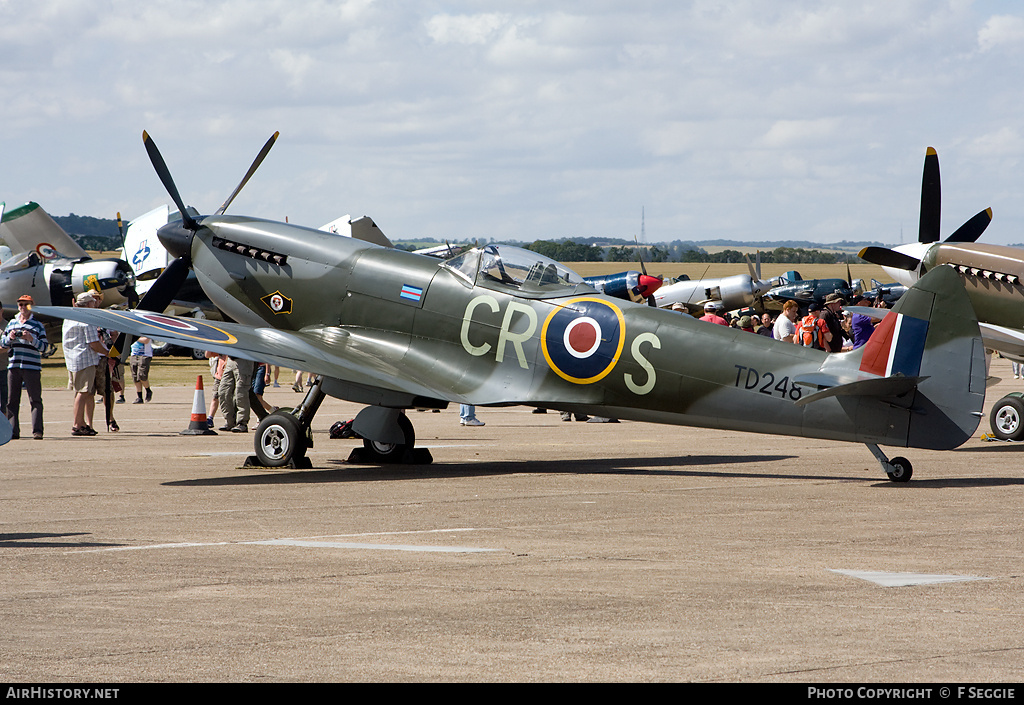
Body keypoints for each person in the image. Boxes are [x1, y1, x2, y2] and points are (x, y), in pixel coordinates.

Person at [63, 291, 109, 436]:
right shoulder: (86, 319)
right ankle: (77, 424)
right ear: (89, 304)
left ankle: (81, 422)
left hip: (72, 360)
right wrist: (108, 353)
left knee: (79, 392)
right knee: (83, 392)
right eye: (93, 302)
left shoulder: (69, 318)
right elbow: (94, 343)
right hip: (84, 360)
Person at [2, 295, 48, 439]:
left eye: (26, 304)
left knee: (35, 400)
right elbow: (3, 343)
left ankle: (37, 431)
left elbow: (45, 347)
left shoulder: (38, 325)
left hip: (32, 366)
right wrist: (10, 337)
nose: (23, 307)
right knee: (12, 401)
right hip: (14, 365)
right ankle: (13, 431)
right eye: (20, 304)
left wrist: (32, 339)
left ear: (31, 306)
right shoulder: (12, 323)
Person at [218, 356, 254, 432]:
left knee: (241, 393)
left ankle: (242, 423)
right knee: (223, 391)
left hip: (244, 360)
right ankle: (229, 421)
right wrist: (226, 360)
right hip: (231, 360)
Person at [129, 336, 154, 403]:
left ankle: (148, 390)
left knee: (142, 375)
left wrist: (133, 337)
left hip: (145, 355)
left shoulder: (146, 329)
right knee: (135, 377)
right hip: (134, 354)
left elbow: (146, 340)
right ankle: (139, 397)